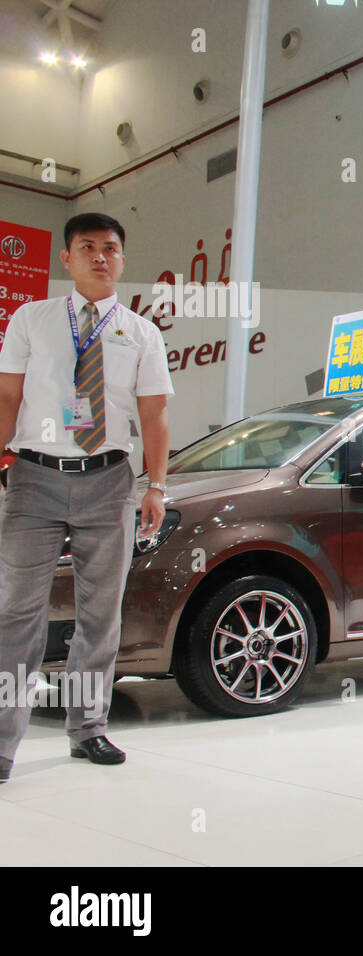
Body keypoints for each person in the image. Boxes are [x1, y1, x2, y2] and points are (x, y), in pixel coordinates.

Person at [0, 212, 173, 783]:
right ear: (66, 259)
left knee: (100, 616)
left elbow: (154, 416)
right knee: (17, 614)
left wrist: (157, 485)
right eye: (87, 247)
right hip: (34, 478)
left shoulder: (142, 332)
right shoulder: (31, 319)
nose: (100, 256)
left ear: (122, 259)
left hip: (110, 483)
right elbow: (8, 398)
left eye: (111, 248)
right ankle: (2, 742)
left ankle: (89, 728)